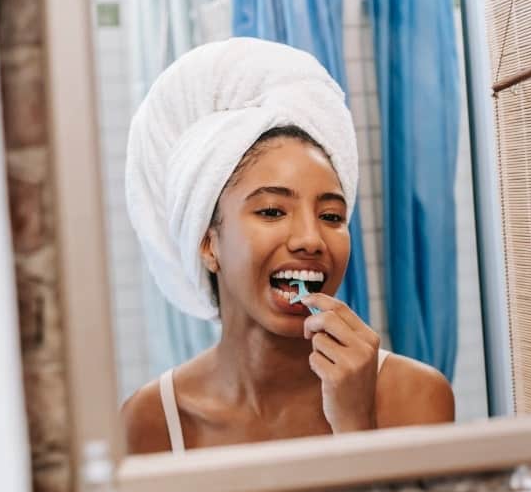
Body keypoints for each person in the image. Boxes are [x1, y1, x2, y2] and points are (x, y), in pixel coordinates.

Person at [121, 38, 453, 454]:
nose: (311, 240)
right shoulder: (151, 422)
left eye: (331, 216)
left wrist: (357, 425)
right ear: (208, 243)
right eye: (272, 211)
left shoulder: (414, 395)